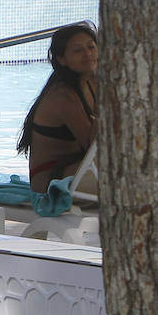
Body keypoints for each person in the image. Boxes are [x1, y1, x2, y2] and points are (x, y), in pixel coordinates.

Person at [17, 23, 97, 192]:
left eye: (91, 47)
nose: (88, 54)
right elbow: (93, 146)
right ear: (61, 59)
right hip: (50, 181)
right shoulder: (63, 96)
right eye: (78, 50)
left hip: (77, 168)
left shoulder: (92, 82)